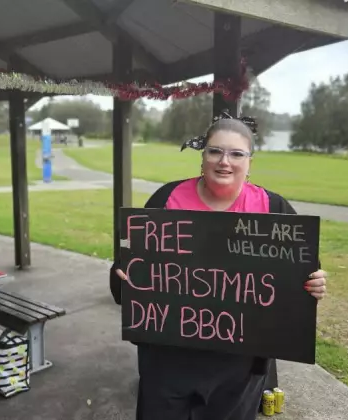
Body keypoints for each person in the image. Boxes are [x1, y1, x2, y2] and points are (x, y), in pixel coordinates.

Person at [108, 112, 328, 420]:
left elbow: (302, 273)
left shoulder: (272, 208)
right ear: (203, 157)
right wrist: (123, 278)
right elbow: (126, 269)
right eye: (215, 151)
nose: (225, 161)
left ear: (249, 161)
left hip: (237, 369)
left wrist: (314, 285)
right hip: (168, 360)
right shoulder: (166, 199)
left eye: (236, 153)